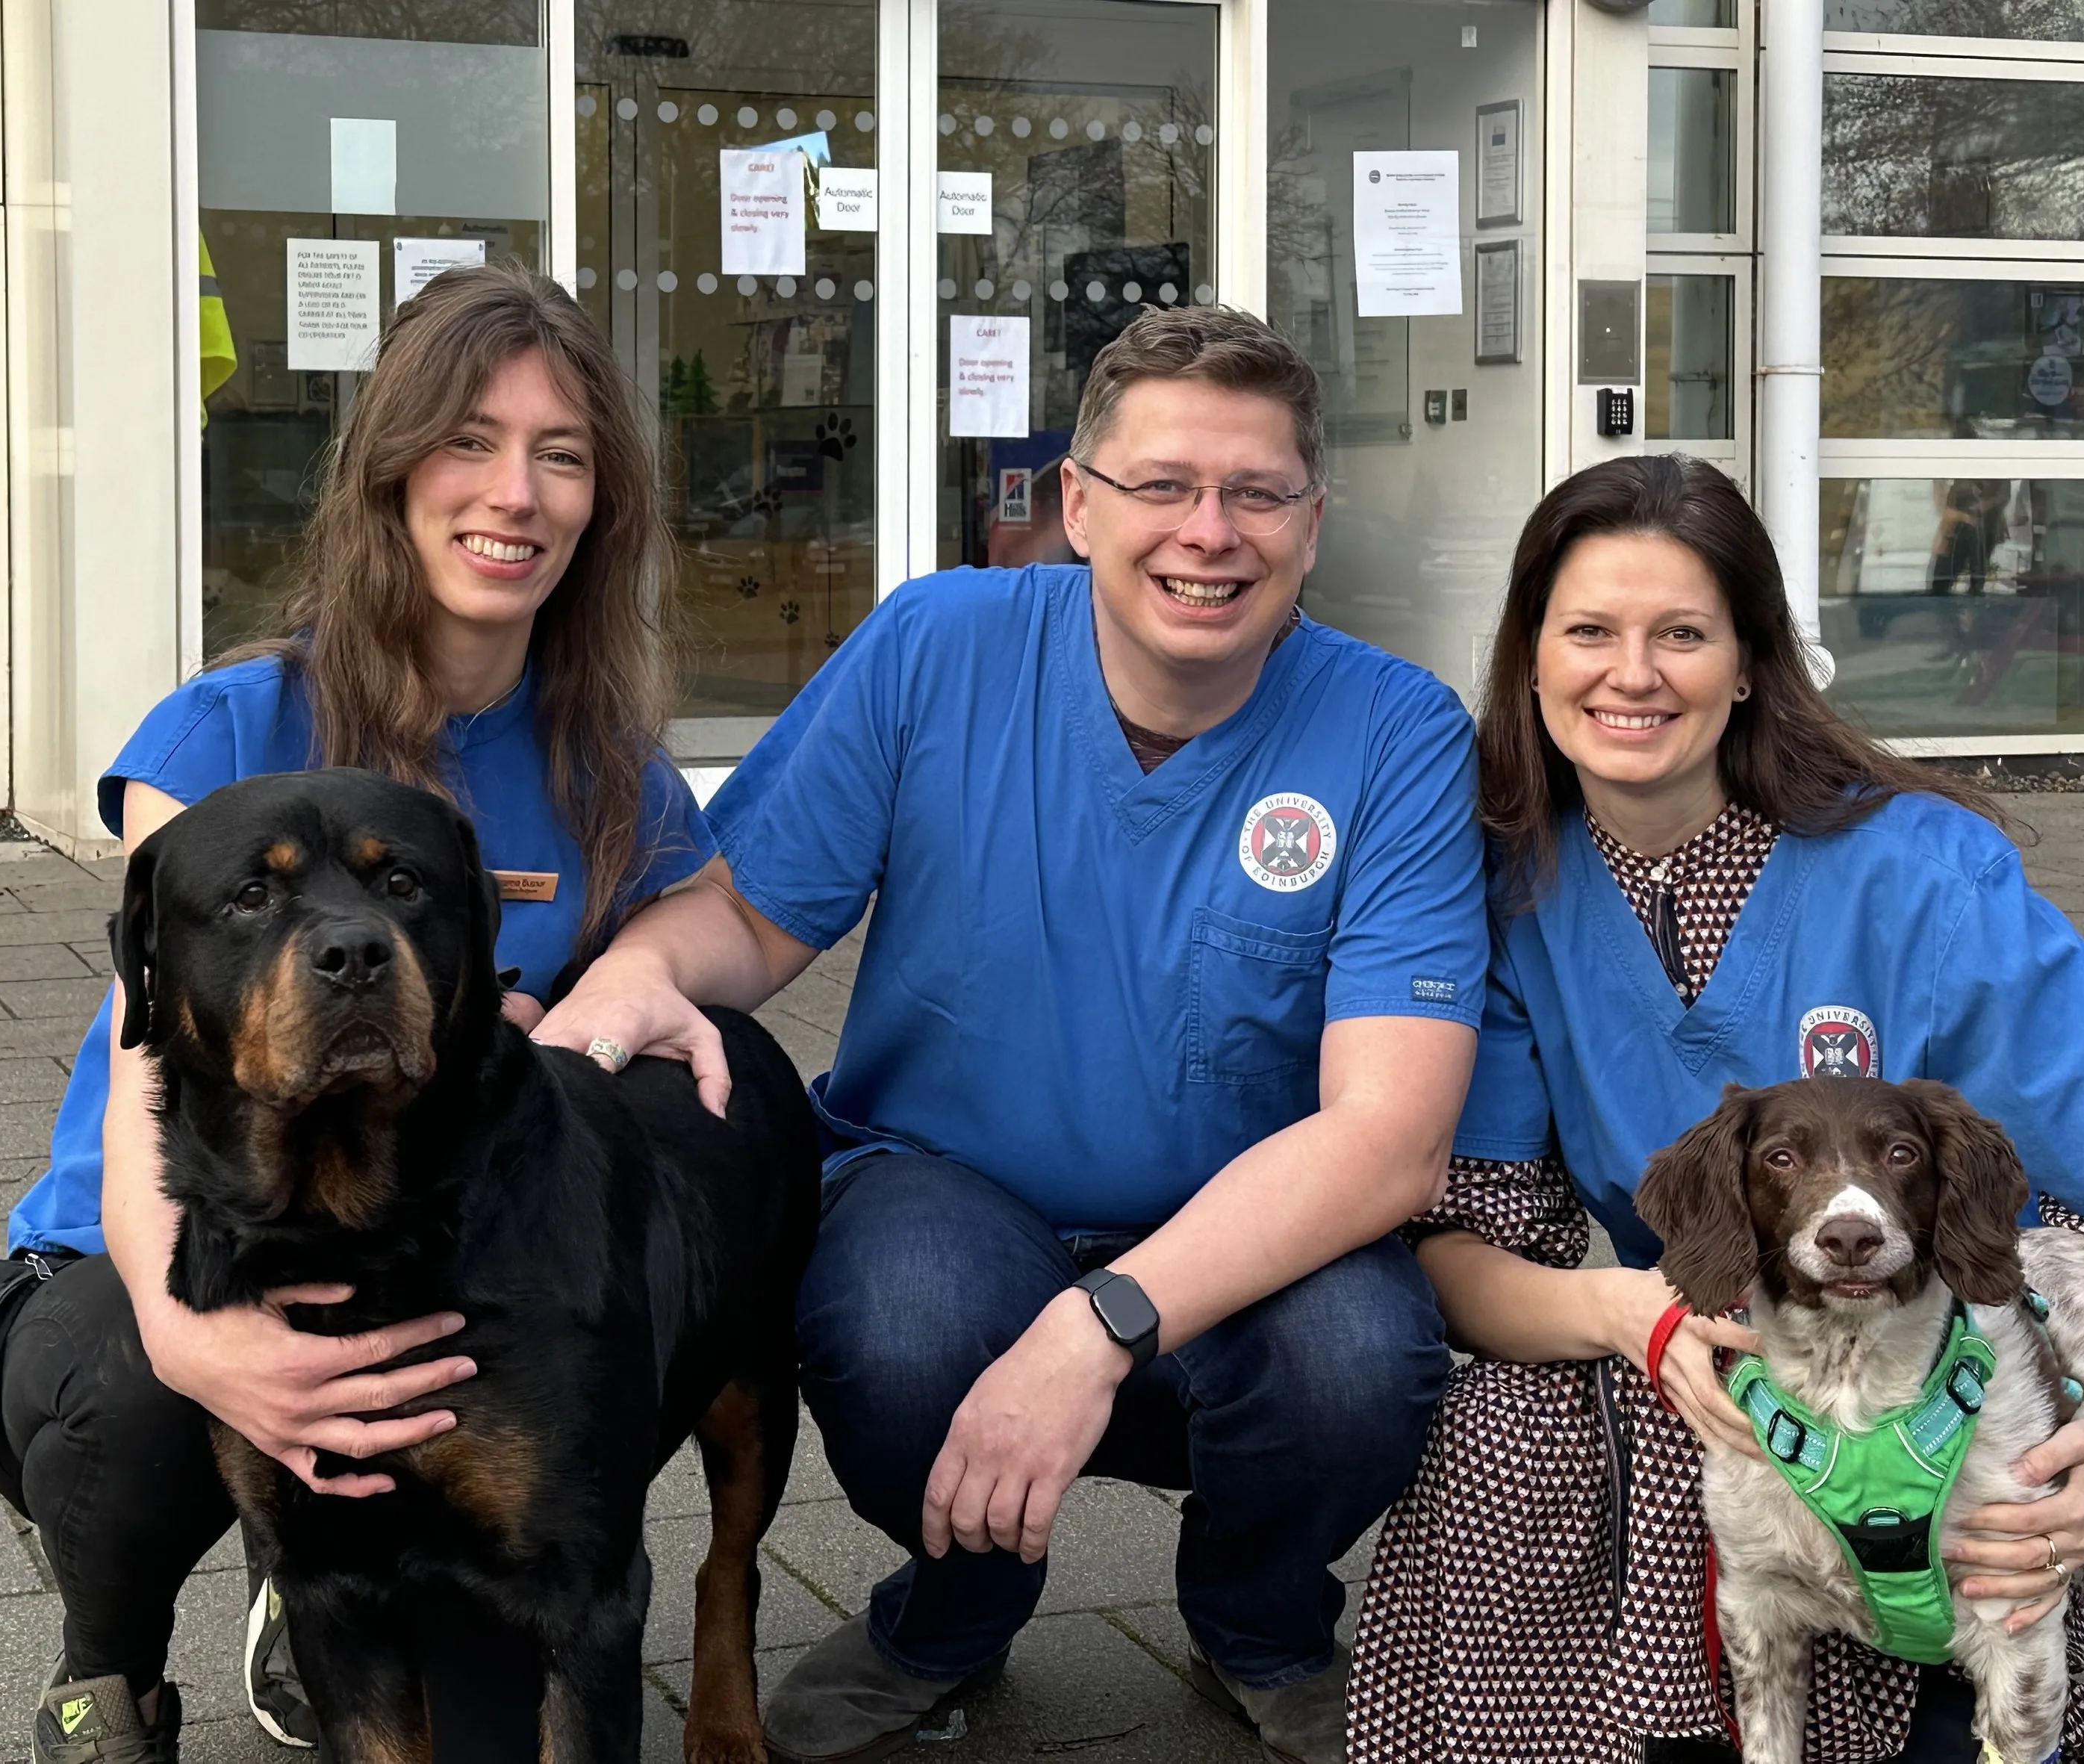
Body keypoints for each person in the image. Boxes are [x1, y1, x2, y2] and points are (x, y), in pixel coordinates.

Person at [537, 305, 1484, 1764]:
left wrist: (1096, 1323)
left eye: (1257, 492)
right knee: (895, 1319)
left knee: (1365, 1356)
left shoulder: (1397, 730)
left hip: (1251, 1232)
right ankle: (957, 1608)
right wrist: (645, 972)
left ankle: (1260, 1612)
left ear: (1312, 516)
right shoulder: (938, 644)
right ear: (1078, 504)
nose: (1209, 532)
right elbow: (749, 908)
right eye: (1163, 485)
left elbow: (1391, 1137)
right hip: (947, 1181)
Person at [1345, 456, 2084, 1764]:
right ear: (1528, 659)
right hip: (1685, 1358)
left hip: (1917, 1388)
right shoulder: (1506, 879)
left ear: (1747, 664)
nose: (1633, 673)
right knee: (1505, 1415)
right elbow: (1463, 1251)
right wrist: (1631, 1315)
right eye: (1589, 633)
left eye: (1682, 633)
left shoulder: (1919, 871)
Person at [0, 263, 714, 1764]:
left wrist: (644, 972)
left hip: (422, 1242)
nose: (514, 490)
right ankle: (107, 1669)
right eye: (469, 439)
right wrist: (197, 1339)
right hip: (183, 1222)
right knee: (133, 1381)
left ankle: (331, 1560)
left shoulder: (606, 763)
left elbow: (709, 916)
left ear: (600, 499)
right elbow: (143, 1050)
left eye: (561, 453)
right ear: (389, 467)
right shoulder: (230, 724)